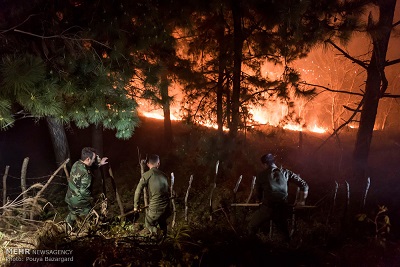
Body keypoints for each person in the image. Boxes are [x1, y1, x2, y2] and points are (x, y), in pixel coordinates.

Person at [248, 153, 309, 240]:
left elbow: (258, 193)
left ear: (265, 164)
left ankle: (251, 247)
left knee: (251, 226)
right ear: (273, 162)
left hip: (267, 209)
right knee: (284, 233)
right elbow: (304, 185)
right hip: (282, 209)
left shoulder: (261, 175)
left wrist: (258, 200)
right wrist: (302, 201)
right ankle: (288, 248)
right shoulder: (286, 172)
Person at [65, 147, 108, 230]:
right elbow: (83, 191)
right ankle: (89, 232)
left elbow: (89, 166)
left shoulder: (76, 164)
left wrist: (99, 164)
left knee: (72, 214)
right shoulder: (86, 174)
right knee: (90, 218)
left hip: (69, 198)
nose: (95, 160)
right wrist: (92, 199)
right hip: (79, 202)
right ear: (88, 159)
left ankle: (65, 230)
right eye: (94, 158)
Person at [134, 154, 170, 237]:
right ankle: (164, 238)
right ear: (158, 164)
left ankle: (156, 232)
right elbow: (169, 190)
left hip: (155, 206)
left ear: (148, 164)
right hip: (167, 207)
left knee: (148, 222)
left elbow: (138, 191)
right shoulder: (164, 175)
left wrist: (136, 206)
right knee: (162, 221)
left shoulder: (147, 175)